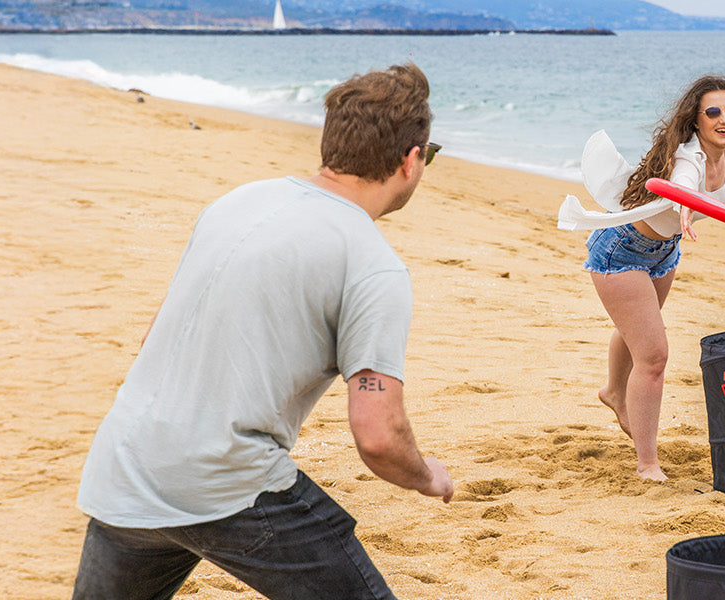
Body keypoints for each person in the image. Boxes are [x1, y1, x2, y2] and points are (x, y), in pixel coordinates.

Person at [71, 63, 454, 600]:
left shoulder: (239, 201)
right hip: (225, 481)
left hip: (126, 461)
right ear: (411, 161)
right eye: (429, 153)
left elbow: (153, 338)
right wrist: (426, 476)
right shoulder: (371, 263)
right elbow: (378, 434)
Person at [558, 75, 725, 481]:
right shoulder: (688, 158)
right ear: (695, 120)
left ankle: (613, 392)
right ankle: (647, 464)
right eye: (712, 112)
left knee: (635, 333)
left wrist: (686, 215)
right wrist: (684, 205)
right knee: (654, 356)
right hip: (621, 248)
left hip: (664, 251)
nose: (724, 119)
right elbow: (682, 185)